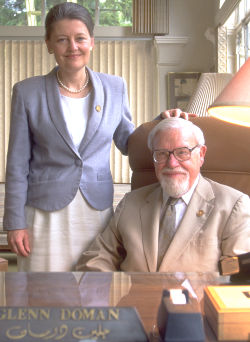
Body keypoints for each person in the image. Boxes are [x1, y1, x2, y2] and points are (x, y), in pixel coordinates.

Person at [3, 2, 187, 272]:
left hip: (95, 210)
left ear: (92, 42)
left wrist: (161, 122)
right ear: (49, 44)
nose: (72, 47)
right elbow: (17, 164)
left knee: (94, 292)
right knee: (43, 294)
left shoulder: (115, 87)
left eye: (80, 38)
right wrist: (15, 222)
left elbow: (129, 141)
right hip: (44, 214)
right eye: (62, 40)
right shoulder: (27, 92)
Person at [76, 117, 250, 272]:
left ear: (201, 154)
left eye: (182, 152)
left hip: (197, 305)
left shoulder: (234, 205)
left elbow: (237, 274)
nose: (172, 163)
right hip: (134, 302)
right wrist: (103, 295)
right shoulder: (131, 203)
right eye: (162, 154)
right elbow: (97, 258)